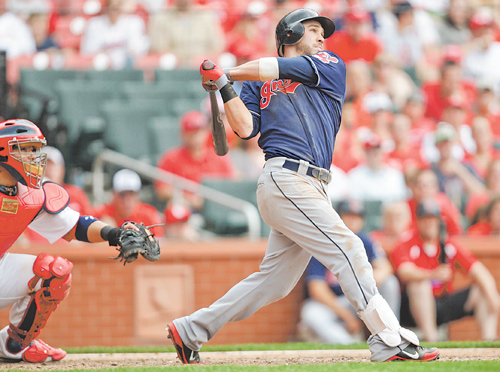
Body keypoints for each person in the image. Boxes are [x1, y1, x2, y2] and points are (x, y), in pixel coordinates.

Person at [167, 8, 439, 364]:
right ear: (291, 33)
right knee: (350, 248)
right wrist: (224, 87)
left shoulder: (329, 63)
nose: (322, 36)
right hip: (285, 178)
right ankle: (388, 337)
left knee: (275, 282)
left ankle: (191, 330)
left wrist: (226, 71)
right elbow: (246, 128)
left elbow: (275, 68)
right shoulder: (255, 82)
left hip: (312, 184)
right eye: (312, 30)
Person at [0, 119, 152, 362]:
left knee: (54, 271)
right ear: (5, 151)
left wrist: (115, 234)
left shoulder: (32, 194)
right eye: (26, 149)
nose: (34, 157)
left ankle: (14, 345)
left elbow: (76, 226)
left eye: (35, 149)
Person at [391, 198, 500, 342]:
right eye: (425, 219)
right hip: (412, 307)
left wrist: (493, 297)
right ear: (418, 221)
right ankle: (432, 340)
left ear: (439, 221)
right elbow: (404, 272)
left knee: (482, 290)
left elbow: (479, 271)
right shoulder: (407, 242)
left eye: (433, 219)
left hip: (442, 301)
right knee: (420, 284)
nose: (430, 223)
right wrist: (432, 274)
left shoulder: (448, 244)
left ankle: (489, 340)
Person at [299, 199, 401, 344]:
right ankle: (350, 344)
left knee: (389, 282)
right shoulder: (323, 242)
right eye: (349, 216)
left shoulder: (366, 241)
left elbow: (385, 267)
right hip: (335, 303)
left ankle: (391, 336)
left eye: (357, 217)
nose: (353, 221)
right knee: (310, 313)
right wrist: (346, 316)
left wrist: (372, 280)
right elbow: (317, 289)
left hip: (360, 300)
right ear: (338, 217)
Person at [154, 110, 235, 212]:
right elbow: (162, 190)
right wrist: (189, 198)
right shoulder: (171, 158)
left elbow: (231, 184)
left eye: (200, 130)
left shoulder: (218, 156)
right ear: (183, 134)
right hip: (188, 208)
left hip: (217, 208)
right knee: (176, 205)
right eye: (191, 131)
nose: (196, 135)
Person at [80, 0, 149, 69]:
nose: (114, 9)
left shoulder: (134, 22)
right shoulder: (94, 24)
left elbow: (139, 50)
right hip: (102, 70)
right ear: (105, 6)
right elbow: (88, 51)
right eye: (111, 5)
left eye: (117, 5)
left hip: (128, 69)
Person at [94, 169, 163, 237]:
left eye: (131, 194)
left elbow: (160, 243)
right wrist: (106, 232)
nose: (127, 200)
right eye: (122, 195)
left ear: (138, 196)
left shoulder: (149, 215)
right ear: (113, 195)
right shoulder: (100, 214)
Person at [347, 134, 408, 203]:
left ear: (382, 152)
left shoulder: (394, 175)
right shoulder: (355, 175)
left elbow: (400, 199)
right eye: (370, 150)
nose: (374, 154)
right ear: (365, 152)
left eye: (377, 150)